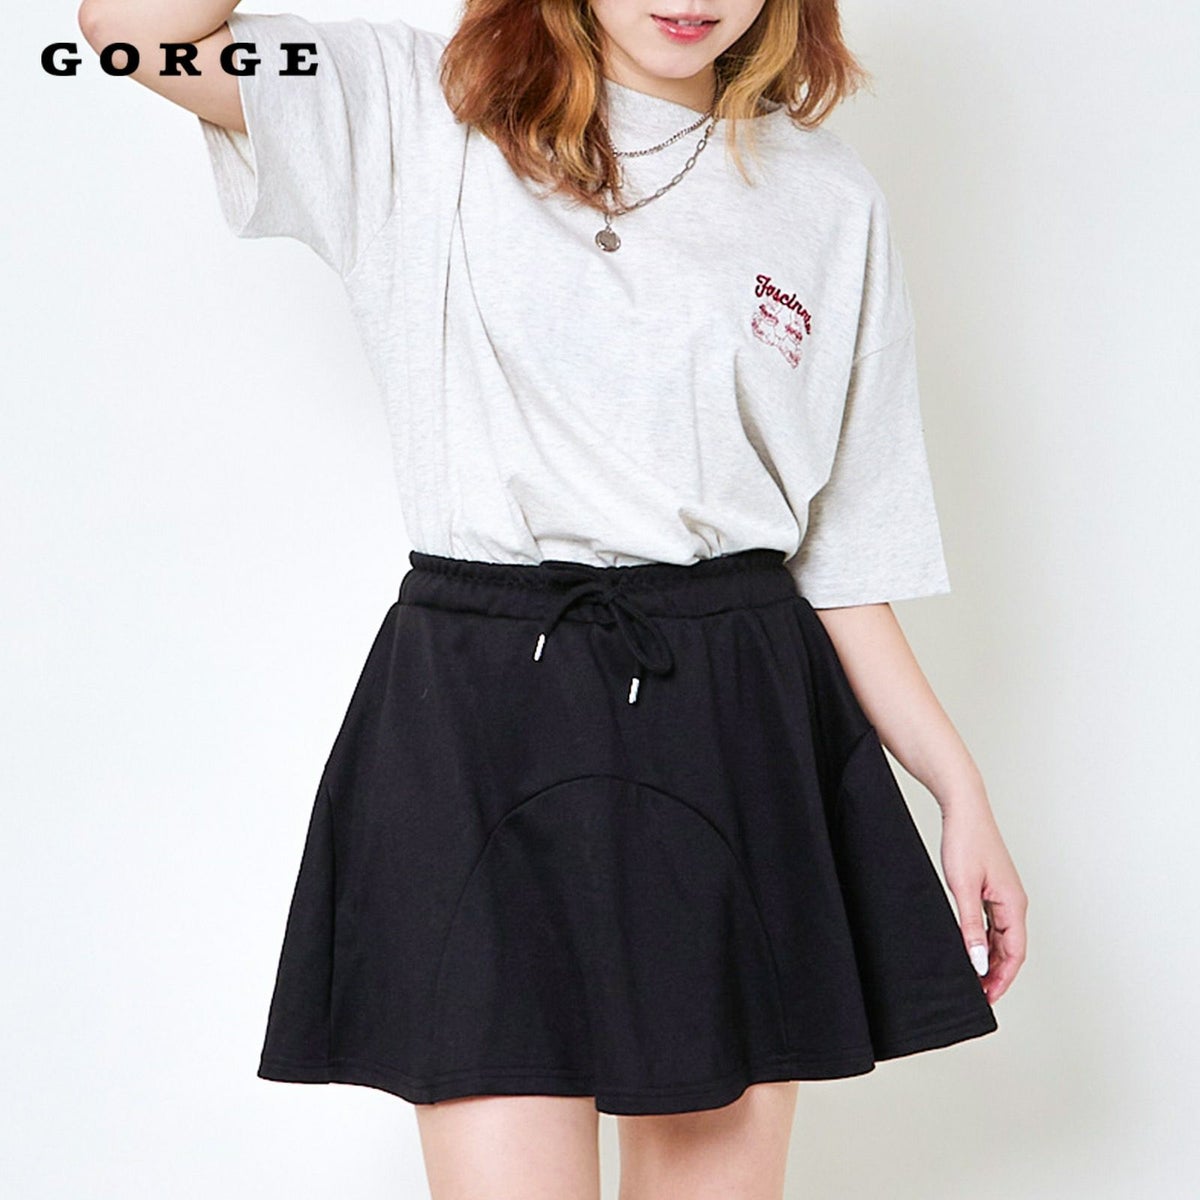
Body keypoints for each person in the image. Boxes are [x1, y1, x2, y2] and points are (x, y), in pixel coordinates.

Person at [78, 0, 1028, 1195]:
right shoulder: (418, 111)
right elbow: (129, 33)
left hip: (731, 717)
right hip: (479, 715)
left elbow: (841, 559)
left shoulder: (826, 198)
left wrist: (958, 788)